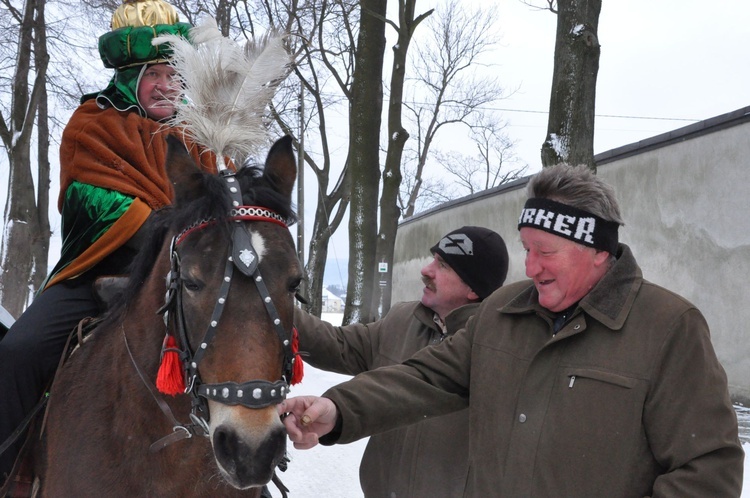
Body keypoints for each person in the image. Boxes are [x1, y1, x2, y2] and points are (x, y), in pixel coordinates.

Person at [280, 164, 745, 497]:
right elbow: (427, 377)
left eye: (546, 252)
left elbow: (707, 467)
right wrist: (338, 408)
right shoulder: (504, 311)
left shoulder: (668, 328)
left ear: (599, 250)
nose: (531, 267)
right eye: (526, 249)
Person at [0, 0, 223, 483]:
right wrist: (170, 233)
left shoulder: (198, 134)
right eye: (156, 73)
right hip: (99, 273)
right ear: (130, 73)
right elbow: (86, 199)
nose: (168, 85)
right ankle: (9, 468)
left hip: (183, 283)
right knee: (18, 350)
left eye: (175, 73)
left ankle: (241, 471)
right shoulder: (92, 123)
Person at [294, 226, 509, 497]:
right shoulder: (403, 319)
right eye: (433, 258)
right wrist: (277, 308)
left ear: (473, 289)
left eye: (443, 265)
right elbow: (339, 345)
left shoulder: (496, 346)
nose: (426, 270)